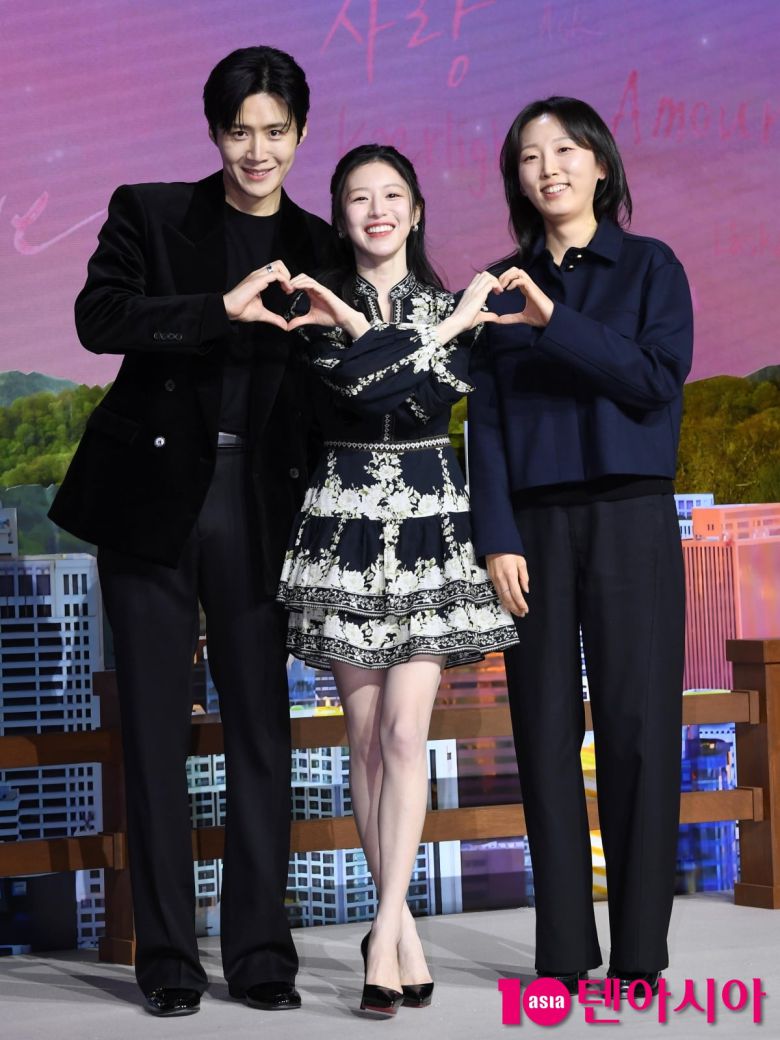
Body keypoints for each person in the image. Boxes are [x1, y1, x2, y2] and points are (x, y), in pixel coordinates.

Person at [49, 46, 336, 1016]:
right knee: (155, 734)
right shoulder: (150, 211)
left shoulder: (319, 242)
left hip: (262, 508)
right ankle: (169, 958)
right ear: (215, 132)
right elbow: (98, 317)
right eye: (239, 131)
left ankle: (260, 954)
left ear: (300, 133)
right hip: (153, 498)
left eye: (275, 132)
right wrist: (217, 309)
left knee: (264, 732)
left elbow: (337, 383)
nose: (258, 151)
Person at [276, 143, 518, 1014]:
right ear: (341, 216)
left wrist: (420, 335)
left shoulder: (455, 306)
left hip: (429, 527)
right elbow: (358, 393)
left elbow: (424, 398)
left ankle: (381, 929)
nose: (376, 210)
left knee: (408, 736)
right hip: (342, 525)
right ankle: (403, 930)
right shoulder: (313, 305)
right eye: (357, 197)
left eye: (391, 196)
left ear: (416, 211)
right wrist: (372, 325)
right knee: (367, 737)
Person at [468, 97, 693, 995]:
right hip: (534, 530)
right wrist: (496, 535)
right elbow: (485, 421)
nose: (548, 167)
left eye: (565, 149)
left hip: (632, 516)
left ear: (601, 164)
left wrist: (552, 321)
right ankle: (562, 951)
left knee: (639, 730)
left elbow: (654, 379)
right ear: (517, 181)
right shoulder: (497, 286)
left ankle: (640, 954)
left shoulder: (651, 266)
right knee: (544, 730)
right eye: (529, 156)